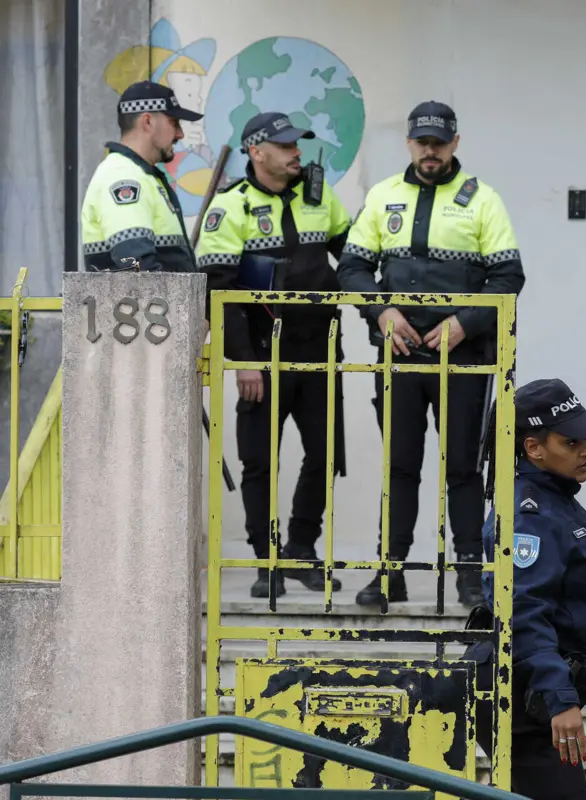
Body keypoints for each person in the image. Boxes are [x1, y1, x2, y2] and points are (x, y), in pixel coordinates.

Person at [337, 101, 525, 608]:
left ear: (455, 144)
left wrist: (464, 324)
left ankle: (469, 574)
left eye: (439, 143)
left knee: (462, 466)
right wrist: (381, 312)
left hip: (461, 358)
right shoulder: (382, 196)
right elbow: (352, 268)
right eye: (422, 142)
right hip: (398, 354)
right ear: (409, 143)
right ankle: (389, 573)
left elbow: (508, 278)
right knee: (399, 465)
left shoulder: (483, 200)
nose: (430, 151)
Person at [465, 378, 586, 800]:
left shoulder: (554, 498)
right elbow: (522, 612)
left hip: (537, 685)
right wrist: (561, 701)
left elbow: (561, 596)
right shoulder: (529, 513)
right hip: (524, 693)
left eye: (584, 440)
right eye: (571, 442)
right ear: (533, 448)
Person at [196, 112, 352, 599]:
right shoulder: (231, 207)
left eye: (297, 145)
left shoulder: (319, 194)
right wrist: (243, 359)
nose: (296, 153)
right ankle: (267, 562)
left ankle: (302, 550)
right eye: (285, 146)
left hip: (320, 347)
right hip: (263, 354)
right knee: (260, 463)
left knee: (325, 456)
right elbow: (218, 292)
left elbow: (351, 256)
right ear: (256, 151)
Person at [81, 80, 202, 273]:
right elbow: (138, 267)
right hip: (147, 304)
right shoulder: (123, 176)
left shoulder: (142, 175)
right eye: (173, 122)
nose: (180, 134)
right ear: (147, 121)